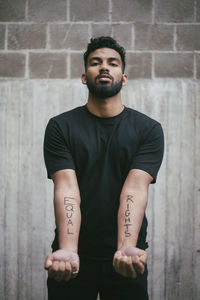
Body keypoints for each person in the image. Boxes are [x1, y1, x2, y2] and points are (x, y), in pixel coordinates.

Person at [43, 36, 164, 300]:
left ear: (124, 76)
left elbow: (134, 189)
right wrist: (68, 250)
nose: (104, 67)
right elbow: (66, 189)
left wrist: (125, 249)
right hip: (72, 257)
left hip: (127, 258)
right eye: (95, 63)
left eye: (113, 63)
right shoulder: (61, 127)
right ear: (85, 77)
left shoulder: (148, 130)